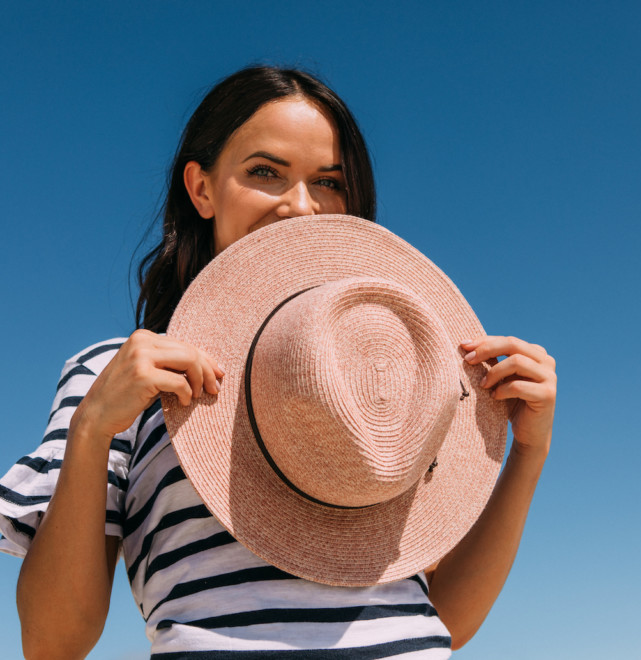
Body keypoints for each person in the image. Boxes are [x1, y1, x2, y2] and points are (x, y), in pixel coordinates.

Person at [0, 66, 557, 659]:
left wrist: (526, 454)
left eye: (329, 182)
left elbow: (441, 620)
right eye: (265, 172)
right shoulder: (118, 376)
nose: (301, 206)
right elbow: (52, 645)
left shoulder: (396, 377)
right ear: (202, 188)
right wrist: (90, 429)